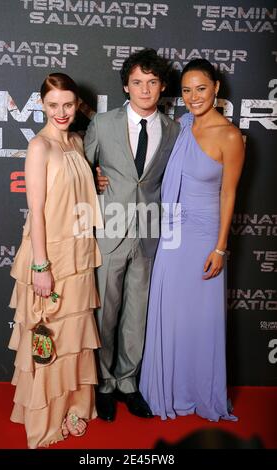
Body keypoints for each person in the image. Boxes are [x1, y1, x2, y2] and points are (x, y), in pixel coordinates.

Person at [140, 58, 245, 422]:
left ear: (216, 87)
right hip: (171, 234)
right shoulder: (182, 125)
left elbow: (229, 195)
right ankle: (166, 389)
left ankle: (199, 391)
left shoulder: (230, 136)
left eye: (201, 88)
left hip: (204, 237)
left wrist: (220, 248)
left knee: (200, 319)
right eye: (186, 90)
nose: (194, 96)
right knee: (169, 314)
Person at [84, 48, 180, 421]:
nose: (144, 89)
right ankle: (104, 384)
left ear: (162, 86)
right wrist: (91, 178)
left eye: (152, 82)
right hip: (109, 232)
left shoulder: (173, 130)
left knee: (137, 314)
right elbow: (80, 167)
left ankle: (127, 382)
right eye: (137, 82)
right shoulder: (103, 123)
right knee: (105, 313)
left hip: (148, 235)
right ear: (126, 85)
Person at [8, 73, 102, 448]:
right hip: (50, 257)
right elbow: (38, 212)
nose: (61, 112)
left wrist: (94, 180)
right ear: (42, 106)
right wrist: (41, 267)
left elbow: (74, 193)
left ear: (76, 104)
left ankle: (74, 408)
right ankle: (46, 419)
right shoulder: (39, 146)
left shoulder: (77, 141)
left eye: (67, 104)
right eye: (52, 106)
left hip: (79, 255)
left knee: (74, 340)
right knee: (48, 339)